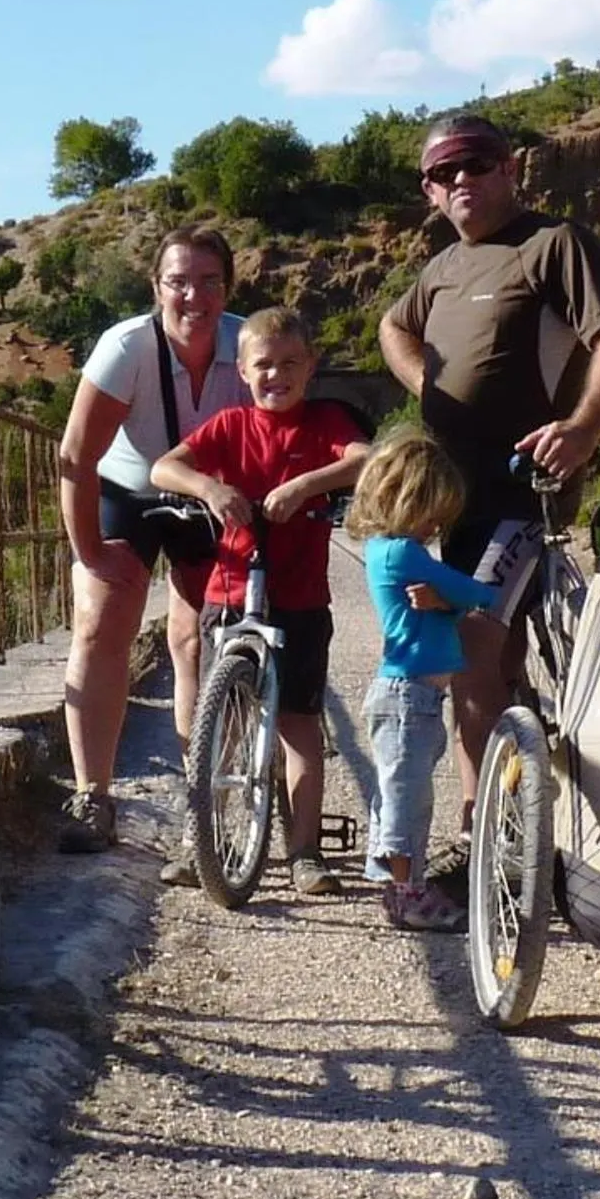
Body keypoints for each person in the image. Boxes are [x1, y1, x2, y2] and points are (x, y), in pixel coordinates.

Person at [376, 113, 600, 891]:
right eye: (443, 173)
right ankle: (516, 813)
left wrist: (586, 427)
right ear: (429, 190)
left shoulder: (554, 244)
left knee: (470, 647)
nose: (461, 181)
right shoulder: (442, 268)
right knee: (490, 661)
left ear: (510, 168)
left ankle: (484, 837)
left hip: (524, 493)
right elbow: (394, 325)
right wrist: (424, 383)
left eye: (477, 164)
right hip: (457, 503)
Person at [149, 306, 371, 895]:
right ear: (243, 371)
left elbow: (365, 458)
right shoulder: (228, 426)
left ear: (311, 366)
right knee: (220, 723)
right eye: (264, 366)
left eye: (290, 364)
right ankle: (207, 842)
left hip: (298, 596)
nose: (277, 376)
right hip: (230, 589)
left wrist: (304, 486)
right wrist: (211, 488)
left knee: (299, 723)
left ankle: (305, 851)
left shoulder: (324, 420)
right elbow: (163, 468)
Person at [54, 227, 248, 854]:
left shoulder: (248, 345)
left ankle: (202, 797)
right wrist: (88, 551)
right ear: (156, 287)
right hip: (127, 491)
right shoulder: (126, 347)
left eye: (209, 281)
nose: (194, 295)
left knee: (200, 636)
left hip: (206, 494)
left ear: (228, 287)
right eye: (178, 281)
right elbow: (76, 456)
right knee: (99, 625)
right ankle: (94, 796)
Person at [347, 429, 497, 932]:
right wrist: (457, 598)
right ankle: (408, 891)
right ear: (405, 501)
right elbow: (478, 593)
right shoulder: (405, 555)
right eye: (433, 513)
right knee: (409, 795)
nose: (437, 525)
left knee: (397, 789)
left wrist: (439, 602)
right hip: (409, 695)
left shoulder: (380, 549)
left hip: (412, 696)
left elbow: (445, 599)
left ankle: (395, 885)